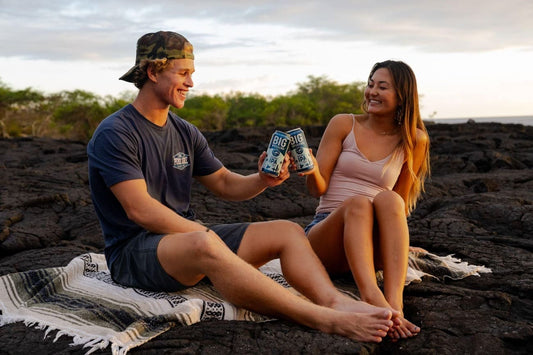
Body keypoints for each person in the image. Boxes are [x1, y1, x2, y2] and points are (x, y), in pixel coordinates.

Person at [87, 31, 398, 343]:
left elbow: (224, 182)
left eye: (192, 74)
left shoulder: (185, 132)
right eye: (183, 74)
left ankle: (335, 301)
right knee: (203, 243)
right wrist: (207, 237)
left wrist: (262, 179)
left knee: (287, 231)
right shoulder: (116, 132)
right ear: (153, 72)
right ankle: (321, 318)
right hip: (133, 254)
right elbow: (140, 209)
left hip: (185, 242)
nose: (191, 83)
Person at [300, 60, 430, 340]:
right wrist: (311, 169)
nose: (372, 92)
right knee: (359, 203)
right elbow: (316, 189)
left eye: (382, 87)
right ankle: (372, 296)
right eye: (371, 84)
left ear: (402, 96)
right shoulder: (343, 124)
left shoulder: (414, 140)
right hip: (328, 235)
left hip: (369, 245)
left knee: (390, 200)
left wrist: (401, 246)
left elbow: (401, 203)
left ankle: (394, 302)